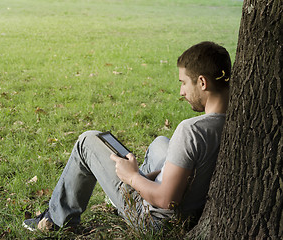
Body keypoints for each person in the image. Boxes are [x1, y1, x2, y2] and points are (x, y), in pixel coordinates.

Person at [23, 41, 231, 232]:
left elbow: (167, 199)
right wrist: (153, 176)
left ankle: (56, 220)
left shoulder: (191, 130)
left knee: (88, 140)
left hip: (154, 220)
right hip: (193, 209)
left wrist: (131, 177)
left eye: (184, 83)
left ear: (202, 82)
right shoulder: (234, 122)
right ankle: (141, 183)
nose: (181, 91)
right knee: (160, 143)